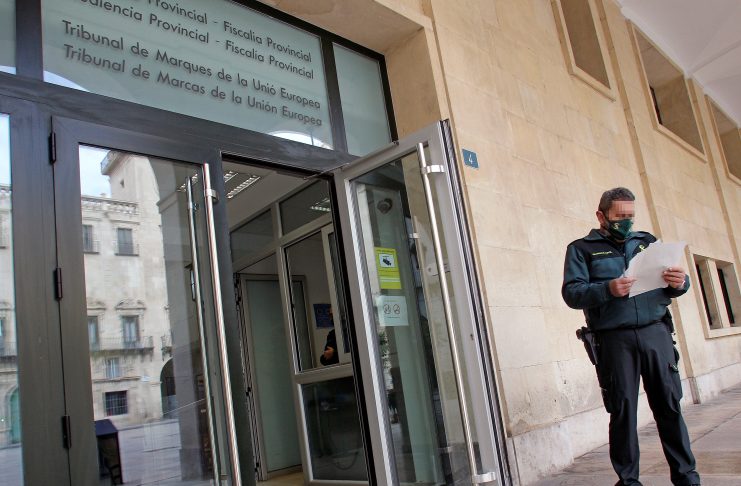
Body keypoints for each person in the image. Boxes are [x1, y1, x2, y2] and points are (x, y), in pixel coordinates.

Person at [562, 187, 701, 486]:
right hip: (614, 340)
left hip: (655, 333)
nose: (626, 222)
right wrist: (607, 289)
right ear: (601, 216)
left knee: (669, 406)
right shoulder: (581, 249)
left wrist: (680, 283)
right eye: (619, 216)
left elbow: (672, 285)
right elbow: (572, 293)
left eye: (630, 216)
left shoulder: (647, 243)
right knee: (623, 410)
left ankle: (687, 478)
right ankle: (628, 482)